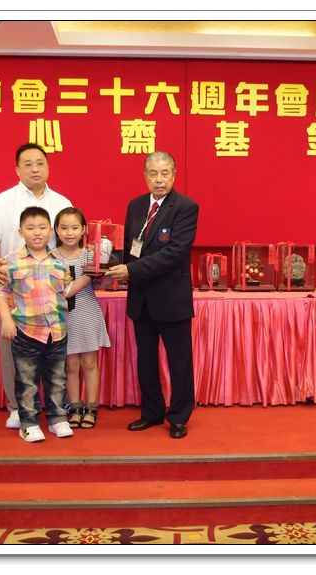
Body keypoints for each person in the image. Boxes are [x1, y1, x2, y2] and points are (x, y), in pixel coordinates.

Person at [0, 144, 72, 429]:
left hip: (52, 293)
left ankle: (56, 408)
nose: (34, 169)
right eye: (27, 164)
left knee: (55, 352)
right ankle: (17, 407)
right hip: (16, 290)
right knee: (15, 353)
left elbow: (71, 240)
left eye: (40, 163)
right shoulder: (2, 201)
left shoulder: (61, 202)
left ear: (48, 167)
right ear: (17, 169)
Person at [107, 151, 199, 439]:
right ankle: (152, 411)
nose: (159, 179)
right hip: (141, 298)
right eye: (153, 174)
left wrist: (131, 270)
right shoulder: (135, 206)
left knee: (179, 362)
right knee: (146, 360)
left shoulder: (186, 207)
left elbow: (175, 253)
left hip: (171, 299)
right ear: (145, 176)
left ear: (173, 175)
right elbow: (130, 246)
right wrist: (107, 262)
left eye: (165, 173)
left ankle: (179, 416)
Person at [0, 206, 91, 442]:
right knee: (27, 381)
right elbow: (0, 292)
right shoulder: (10, 262)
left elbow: (66, 290)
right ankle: (28, 423)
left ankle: (57, 419)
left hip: (57, 331)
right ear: (21, 232)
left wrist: (90, 276)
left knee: (57, 379)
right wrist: (6, 319)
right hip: (26, 332)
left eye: (42, 228)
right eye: (30, 228)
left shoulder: (59, 262)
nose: (37, 233)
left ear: (50, 231)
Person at [53, 207, 112, 429]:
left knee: (89, 362)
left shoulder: (91, 254)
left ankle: (92, 407)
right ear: (56, 230)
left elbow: (102, 285)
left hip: (87, 313)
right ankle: (75, 407)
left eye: (74, 228)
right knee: (70, 365)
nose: (69, 233)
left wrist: (106, 272)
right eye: (64, 228)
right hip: (62, 317)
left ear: (84, 230)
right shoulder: (50, 256)